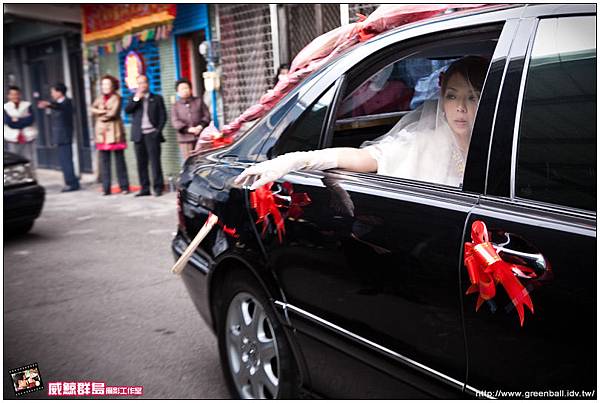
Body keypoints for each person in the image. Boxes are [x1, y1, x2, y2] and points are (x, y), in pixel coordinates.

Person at [235, 56, 488, 190]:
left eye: (472, 97)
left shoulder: (504, 138)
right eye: (452, 96)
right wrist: (295, 160)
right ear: (442, 96)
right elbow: (363, 158)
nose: (460, 108)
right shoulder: (423, 140)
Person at [124, 75, 167, 197]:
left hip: (152, 134)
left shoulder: (157, 98)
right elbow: (127, 110)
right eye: (139, 83)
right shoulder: (133, 98)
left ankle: (158, 188)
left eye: (144, 82)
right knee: (141, 163)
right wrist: (137, 99)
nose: (142, 85)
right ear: (137, 85)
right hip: (139, 135)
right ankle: (145, 188)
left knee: (155, 162)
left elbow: (163, 116)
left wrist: (157, 131)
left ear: (148, 83)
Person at [91, 75, 130, 195]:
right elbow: (92, 109)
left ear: (113, 86)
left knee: (119, 161)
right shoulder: (99, 98)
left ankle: (124, 187)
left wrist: (99, 113)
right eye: (103, 84)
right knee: (104, 162)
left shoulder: (117, 97)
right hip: (102, 134)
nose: (105, 87)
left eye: (108, 84)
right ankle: (106, 188)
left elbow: (112, 114)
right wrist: (102, 111)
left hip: (115, 132)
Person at [37, 83, 80, 192]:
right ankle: (70, 181)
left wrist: (48, 105)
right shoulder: (57, 103)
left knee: (67, 160)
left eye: (53, 91)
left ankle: (71, 183)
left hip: (65, 135)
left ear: (59, 92)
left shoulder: (67, 102)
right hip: (59, 136)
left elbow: (60, 107)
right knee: (63, 160)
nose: (52, 94)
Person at [170, 78, 211, 160]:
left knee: (202, 160)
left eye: (186, 88)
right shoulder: (176, 106)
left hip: (201, 136)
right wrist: (188, 129)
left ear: (190, 89)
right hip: (185, 139)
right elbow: (175, 122)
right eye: (182, 89)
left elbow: (207, 116)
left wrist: (200, 126)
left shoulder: (199, 101)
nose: (185, 90)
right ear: (177, 92)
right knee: (189, 161)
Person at [4, 86, 38, 164]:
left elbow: (30, 120)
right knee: (14, 161)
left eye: (16, 94)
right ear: (8, 96)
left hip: (28, 136)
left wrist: (16, 120)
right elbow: (9, 122)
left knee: (29, 159)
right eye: (12, 94)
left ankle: (30, 175)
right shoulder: (5, 107)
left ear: (20, 95)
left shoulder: (27, 105)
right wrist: (23, 119)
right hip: (12, 138)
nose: (15, 96)